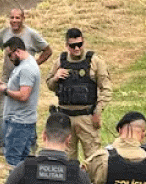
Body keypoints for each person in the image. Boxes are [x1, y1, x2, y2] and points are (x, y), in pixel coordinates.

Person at [0, 8, 52, 155]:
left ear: (23, 18)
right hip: (7, 79)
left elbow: (48, 50)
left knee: (26, 111)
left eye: (17, 18)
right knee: (3, 113)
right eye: (12, 18)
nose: (14, 20)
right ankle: (2, 145)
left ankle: (31, 143)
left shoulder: (31, 35)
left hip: (25, 81)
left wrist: (34, 65)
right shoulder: (4, 33)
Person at [46, 28, 112, 161]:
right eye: (72, 46)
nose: (77, 48)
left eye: (79, 44)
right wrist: (56, 78)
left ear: (84, 42)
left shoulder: (94, 61)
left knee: (93, 159)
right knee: (66, 159)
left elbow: (106, 89)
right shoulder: (60, 61)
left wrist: (97, 111)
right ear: (66, 46)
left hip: (87, 118)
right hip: (65, 118)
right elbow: (50, 85)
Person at [0, 37, 42, 167]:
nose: (9, 58)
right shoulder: (25, 65)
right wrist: (3, 85)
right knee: (23, 164)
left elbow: (24, 95)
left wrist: (6, 90)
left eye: (10, 55)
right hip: (22, 122)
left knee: (13, 163)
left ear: (17, 51)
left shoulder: (26, 69)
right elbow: (20, 87)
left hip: (19, 123)